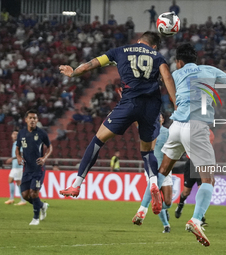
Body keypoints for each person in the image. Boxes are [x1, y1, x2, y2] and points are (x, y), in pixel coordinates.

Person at [157, 43, 226, 246]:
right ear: (196, 60)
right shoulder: (210, 70)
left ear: (179, 62)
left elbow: (163, 81)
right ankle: (196, 219)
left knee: (164, 169)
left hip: (175, 125)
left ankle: (153, 192)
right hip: (196, 127)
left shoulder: (176, 72)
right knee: (208, 180)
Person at [58, 31, 177, 218]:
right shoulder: (157, 56)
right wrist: (175, 103)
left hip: (128, 103)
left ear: (139, 41)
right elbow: (167, 78)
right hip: (151, 107)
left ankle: (77, 184)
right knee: (147, 151)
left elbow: (93, 63)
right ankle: (153, 182)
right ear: (153, 46)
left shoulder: (120, 51)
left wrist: (74, 72)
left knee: (98, 140)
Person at [132, 114, 172, 233]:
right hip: (151, 170)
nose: (158, 118)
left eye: (160, 117)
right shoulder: (147, 129)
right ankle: (166, 225)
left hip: (165, 169)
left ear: (163, 119)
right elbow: (135, 119)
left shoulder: (167, 132)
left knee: (168, 203)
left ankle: (162, 208)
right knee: (156, 196)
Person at [16, 109, 53, 225]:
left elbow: (50, 147)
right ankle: (42, 205)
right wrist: (18, 157)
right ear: (26, 120)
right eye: (30, 118)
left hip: (38, 168)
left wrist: (44, 158)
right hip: (27, 169)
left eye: (35, 118)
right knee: (25, 195)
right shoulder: (21, 133)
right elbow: (17, 148)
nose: (32, 120)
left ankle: (36, 218)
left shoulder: (41, 133)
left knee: (33, 193)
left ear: (37, 120)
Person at [174, 129, 215, 227]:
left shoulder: (209, 133)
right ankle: (180, 204)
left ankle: (200, 217)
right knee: (186, 192)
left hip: (202, 163)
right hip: (191, 164)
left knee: (202, 189)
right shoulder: (190, 131)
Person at [4, 130, 27, 206]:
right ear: (11, 135)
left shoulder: (19, 144)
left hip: (18, 166)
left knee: (18, 183)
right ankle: (12, 198)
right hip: (15, 167)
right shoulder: (14, 144)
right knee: (11, 180)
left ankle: (22, 200)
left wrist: (12, 159)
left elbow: (21, 154)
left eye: (16, 134)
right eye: (13, 134)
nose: (15, 135)